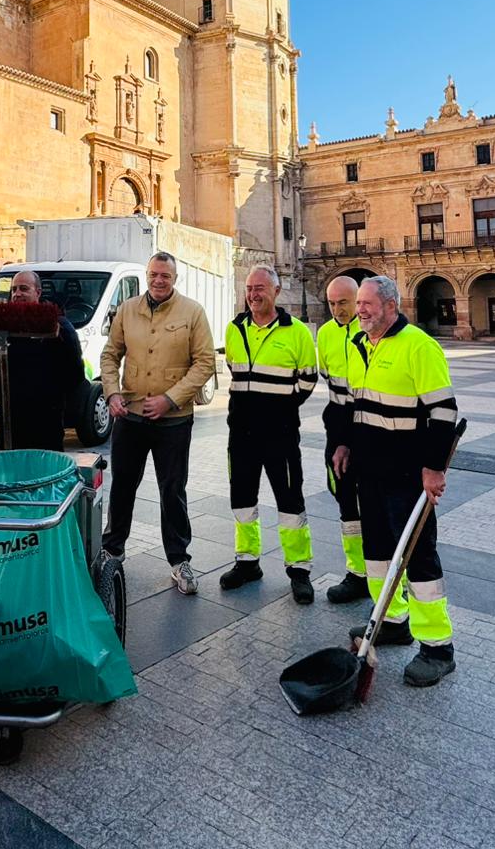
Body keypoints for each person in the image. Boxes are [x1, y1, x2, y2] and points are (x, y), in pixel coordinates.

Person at [339, 275, 461, 687]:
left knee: (418, 555)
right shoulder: (360, 346)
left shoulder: (419, 346)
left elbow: (443, 413)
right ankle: (391, 620)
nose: (361, 311)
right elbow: (358, 406)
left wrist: (433, 468)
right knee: (376, 550)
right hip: (368, 471)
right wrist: (345, 446)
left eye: (368, 304)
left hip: (407, 475)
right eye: (358, 304)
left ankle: (437, 647)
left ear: (391, 305)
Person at [99, 252, 215, 595]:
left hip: (174, 420)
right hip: (130, 415)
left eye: (165, 275)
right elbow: (110, 355)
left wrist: (170, 399)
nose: (158, 280)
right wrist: (111, 393)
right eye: (154, 274)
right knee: (122, 486)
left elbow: (205, 362)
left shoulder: (192, 312)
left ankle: (179, 561)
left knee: (172, 489)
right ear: (147, 276)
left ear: (174, 278)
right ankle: (113, 549)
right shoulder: (127, 309)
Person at [220, 265, 318, 604]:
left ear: (276, 291)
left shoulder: (298, 332)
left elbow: (308, 379)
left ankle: (299, 570)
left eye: (260, 287)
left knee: (290, 501)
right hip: (241, 435)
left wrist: (280, 409)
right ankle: (247, 562)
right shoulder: (235, 329)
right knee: (242, 499)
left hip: (280, 435)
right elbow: (232, 368)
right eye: (249, 288)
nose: (253, 294)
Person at [318, 275, 368, 604]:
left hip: (369, 427)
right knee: (345, 501)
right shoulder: (323, 334)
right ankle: (357, 574)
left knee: (376, 504)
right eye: (333, 304)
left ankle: (389, 575)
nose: (338, 310)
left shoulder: (371, 333)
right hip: (337, 422)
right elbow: (327, 379)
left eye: (344, 303)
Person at [3, 269, 84, 451]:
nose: (17, 294)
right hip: (12, 417)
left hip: (46, 417)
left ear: (38, 292)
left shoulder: (59, 326)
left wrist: (55, 399)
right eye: (14, 289)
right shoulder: (4, 326)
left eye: (23, 289)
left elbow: (75, 373)